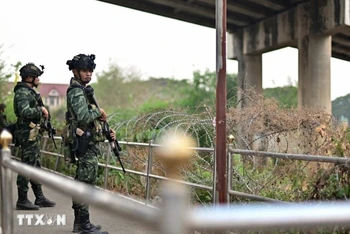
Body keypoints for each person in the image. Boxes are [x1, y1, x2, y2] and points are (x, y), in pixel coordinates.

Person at [66, 54, 113, 234]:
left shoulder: (83, 90)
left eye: (91, 71)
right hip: (84, 144)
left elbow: (88, 120)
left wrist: (106, 131)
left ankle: (82, 223)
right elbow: (84, 117)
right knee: (85, 183)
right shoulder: (76, 91)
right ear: (75, 71)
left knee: (85, 182)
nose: (89, 74)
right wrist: (97, 111)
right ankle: (82, 225)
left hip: (89, 142)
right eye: (85, 71)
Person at [13, 63, 56, 210]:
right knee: (26, 166)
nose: (39, 80)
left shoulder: (29, 92)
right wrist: (40, 110)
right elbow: (24, 111)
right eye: (37, 77)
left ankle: (39, 197)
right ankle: (22, 199)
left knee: (35, 165)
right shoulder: (22, 93)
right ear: (29, 78)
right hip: (27, 135)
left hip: (33, 135)